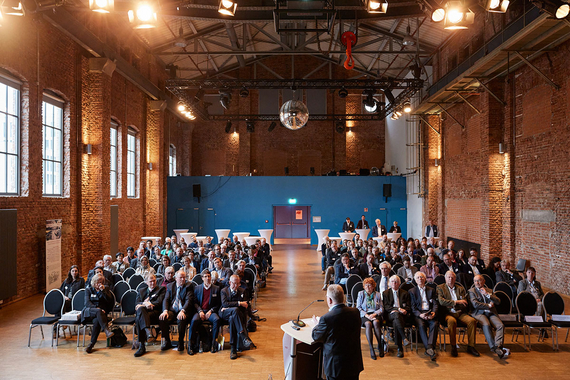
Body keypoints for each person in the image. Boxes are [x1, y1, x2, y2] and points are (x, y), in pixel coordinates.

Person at [312, 284, 364, 380]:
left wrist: (317, 325)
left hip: (336, 367)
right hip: (353, 364)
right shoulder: (355, 312)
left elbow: (316, 336)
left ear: (330, 300)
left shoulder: (326, 318)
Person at [437, 271, 479, 357]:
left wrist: (450, 304)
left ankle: (471, 346)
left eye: (452, 277)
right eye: (448, 277)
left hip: (460, 313)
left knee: (472, 321)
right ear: (445, 278)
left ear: (455, 279)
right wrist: (457, 302)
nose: (450, 279)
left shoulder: (460, 288)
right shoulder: (440, 288)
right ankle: (453, 346)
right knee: (452, 321)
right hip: (448, 313)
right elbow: (441, 302)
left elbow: (465, 303)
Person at [469, 275, 509, 359]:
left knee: (500, 325)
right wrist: (488, 305)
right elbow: (475, 304)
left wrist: (487, 295)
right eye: (475, 281)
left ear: (483, 281)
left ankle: (498, 346)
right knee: (486, 325)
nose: (477, 283)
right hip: (479, 313)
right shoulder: (472, 291)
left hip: (491, 313)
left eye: (479, 280)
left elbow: (498, 301)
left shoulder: (489, 291)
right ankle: (493, 347)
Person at [158, 270, 194, 351]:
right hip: (172, 310)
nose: (182, 279)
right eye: (180, 278)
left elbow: (189, 300)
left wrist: (183, 310)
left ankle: (180, 341)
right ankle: (167, 341)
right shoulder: (170, 286)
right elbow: (166, 299)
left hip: (184, 310)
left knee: (181, 319)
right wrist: (165, 311)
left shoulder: (189, 286)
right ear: (176, 278)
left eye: (184, 277)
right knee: (162, 318)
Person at [220, 274, 253, 359]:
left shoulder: (242, 291)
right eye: (234, 283)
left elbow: (245, 305)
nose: (236, 286)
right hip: (224, 314)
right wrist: (239, 303)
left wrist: (229, 306)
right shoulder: (224, 291)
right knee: (235, 310)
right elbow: (224, 304)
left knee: (233, 318)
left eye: (238, 283)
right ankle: (243, 337)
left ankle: (233, 349)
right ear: (230, 282)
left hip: (236, 315)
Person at [189, 270, 221, 355]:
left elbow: (218, 304)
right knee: (194, 321)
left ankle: (213, 344)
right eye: (205, 276)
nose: (207, 278)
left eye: (209, 276)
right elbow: (195, 303)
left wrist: (211, 311)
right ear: (202, 278)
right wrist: (200, 311)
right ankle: (191, 345)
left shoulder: (216, 289)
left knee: (216, 320)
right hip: (200, 311)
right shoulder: (197, 288)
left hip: (211, 311)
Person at [134, 274, 166, 357]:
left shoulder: (161, 289)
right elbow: (137, 304)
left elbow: (159, 302)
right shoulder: (141, 290)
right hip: (144, 314)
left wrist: (149, 303)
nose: (152, 283)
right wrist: (145, 304)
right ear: (146, 282)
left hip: (155, 313)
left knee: (139, 317)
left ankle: (142, 346)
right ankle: (148, 331)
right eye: (150, 281)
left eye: (154, 281)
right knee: (140, 312)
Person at [81, 273, 115, 353]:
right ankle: (106, 330)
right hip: (89, 312)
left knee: (97, 321)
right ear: (94, 282)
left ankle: (91, 344)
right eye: (98, 282)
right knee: (99, 311)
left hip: (100, 315)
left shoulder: (105, 289)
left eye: (101, 282)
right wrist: (97, 309)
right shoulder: (88, 290)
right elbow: (87, 303)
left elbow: (109, 301)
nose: (99, 284)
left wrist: (103, 291)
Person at [409, 271, 439, 361]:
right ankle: (430, 348)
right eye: (418, 278)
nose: (420, 279)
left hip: (429, 312)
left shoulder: (431, 290)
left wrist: (433, 312)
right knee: (421, 325)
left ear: (425, 279)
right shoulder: (412, 291)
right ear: (415, 280)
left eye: (422, 277)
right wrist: (420, 315)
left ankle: (429, 348)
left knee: (434, 323)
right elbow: (413, 307)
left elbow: (435, 304)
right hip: (419, 314)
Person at [356, 277, 384, 359]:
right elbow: (358, 307)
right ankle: (371, 348)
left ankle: (380, 345)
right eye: (366, 285)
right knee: (368, 324)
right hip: (365, 315)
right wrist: (367, 315)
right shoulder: (361, 294)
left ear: (373, 286)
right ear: (364, 286)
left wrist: (375, 314)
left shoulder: (378, 294)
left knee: (376, 323)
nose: (368, 287)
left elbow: (381, 308)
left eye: (370, 285)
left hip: (375, 314)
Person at [382, 275, 410, 358]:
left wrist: (404, 310)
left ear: (399, 283)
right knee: (396, 315)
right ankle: (403, 340)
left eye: (396, 281)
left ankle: (400, 347)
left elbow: (408, 306)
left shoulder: (405, 293)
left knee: (396, 320)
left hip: (402, 316)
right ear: (389, 283)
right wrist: (398, 308)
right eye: (392, 281)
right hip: (390, 315)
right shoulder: (386, 293)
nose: (394, 283)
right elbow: (386, 307)